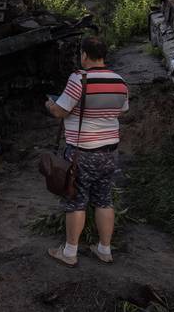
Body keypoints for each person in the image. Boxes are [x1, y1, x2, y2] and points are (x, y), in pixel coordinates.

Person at [44, 36, 129, 267]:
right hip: (110, 153)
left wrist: (50, 105)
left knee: (76, 201)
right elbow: (121, 110)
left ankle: (70, 252)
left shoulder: (79, 79)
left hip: (82, 153)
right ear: (104, 55)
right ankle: (104, 249)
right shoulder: (119, 81)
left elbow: (61, 111)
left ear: (84, 55)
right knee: (104, 200)